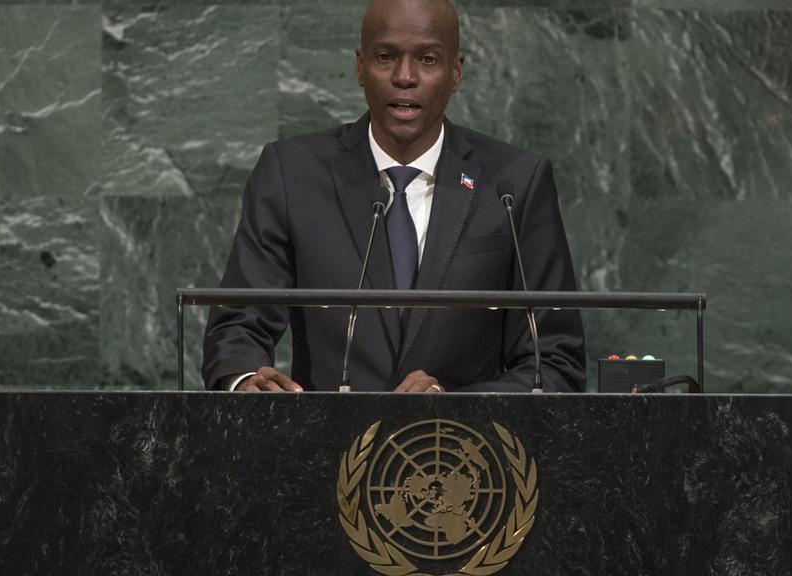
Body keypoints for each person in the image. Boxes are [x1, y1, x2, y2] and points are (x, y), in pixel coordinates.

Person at [202, 0, 585, 393]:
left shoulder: (513, 184)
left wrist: (452, 406)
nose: (405, 77)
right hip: (327, 432)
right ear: (359, 67)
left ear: (456, 72)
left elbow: (554, 362)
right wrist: (245, 381)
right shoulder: (292, 174)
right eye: (385, 57)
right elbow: (238, 325)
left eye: (428, 59)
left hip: (463, 434)